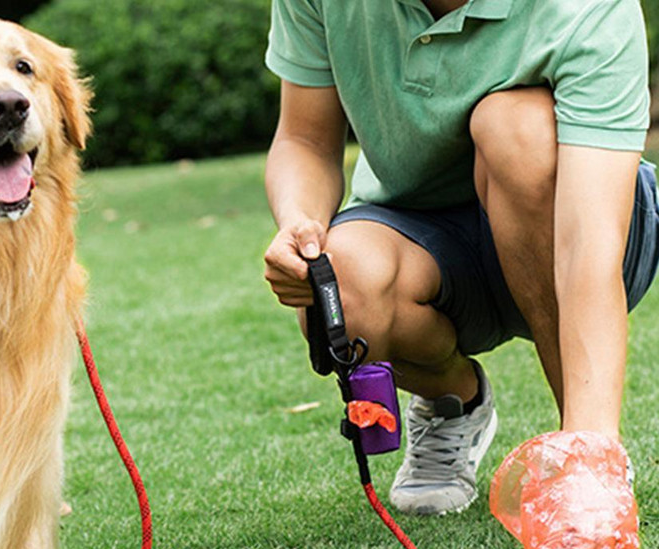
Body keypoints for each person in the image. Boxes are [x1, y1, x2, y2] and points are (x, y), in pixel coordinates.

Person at [262, 0, 658, 515]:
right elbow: (305, 138)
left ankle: (582, 455)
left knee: (513, 125)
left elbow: (589, 247)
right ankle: (455, 401)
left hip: (580, 217)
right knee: (341, 280)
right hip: (423, 231)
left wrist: (592, 456)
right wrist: (300, 222)